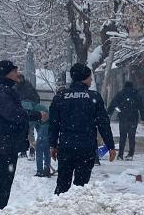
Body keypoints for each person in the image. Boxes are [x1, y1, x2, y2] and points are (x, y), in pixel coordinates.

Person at [0, 60, 46, 215]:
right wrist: (36, 115)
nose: (18, 74)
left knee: (2, 181)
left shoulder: (1, 88)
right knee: (0, 181)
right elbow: (12, 113)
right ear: (7, 73)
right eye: (15, 71)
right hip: (2, 143)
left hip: (3, 143)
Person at [48, 63, 116, 194]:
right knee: (81, 186)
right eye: (90, 77)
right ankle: (77, 203)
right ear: (84, 78)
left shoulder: (60, 97)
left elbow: (53, 124)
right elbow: (103, 124)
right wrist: (110, 146)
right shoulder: (94, 97)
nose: (91, 80)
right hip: (86, 147)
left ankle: (59, 203)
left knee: (62, 184)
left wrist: (53, 144)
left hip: (66, 146)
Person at [108, 80, 144, 160]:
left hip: (123, 117)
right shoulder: (136, 94)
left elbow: (113, 103)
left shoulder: (121, 94)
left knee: (122, 137)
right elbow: (141, 107)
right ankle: (130, 154)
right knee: (132, 137)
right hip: (133, 118)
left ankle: (120, 154)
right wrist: (143, 118)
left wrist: (109, 113)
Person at [14, 73, 41, 158]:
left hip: (29, 114)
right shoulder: (20, 87)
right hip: (24, 114)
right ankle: (25, 151)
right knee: (26, 133)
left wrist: (29, 106)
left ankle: (30, 151)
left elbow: (36, 99)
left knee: (29, 133)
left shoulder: (25, 87)